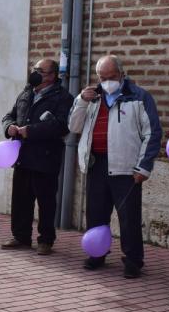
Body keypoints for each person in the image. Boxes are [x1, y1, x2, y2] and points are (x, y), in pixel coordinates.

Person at [68, 54, 162, 278]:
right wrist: (81, 100)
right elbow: (73, 126)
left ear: (122, 74)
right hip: (96, 164)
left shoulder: (139, 97)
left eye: (111, 76)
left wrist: (143, 167)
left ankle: (133, 261)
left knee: (129, 217)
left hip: (126, 167)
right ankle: (97, 253)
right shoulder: (91, 97)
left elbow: (153, 133)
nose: (107, 81)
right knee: (96, 214)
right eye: (102, 77)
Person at [1, 58, 73, 254]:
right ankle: (21, 236)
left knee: (46, 202)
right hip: (22, 156)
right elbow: (9, 115)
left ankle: (45, 241)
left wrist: (30, 131)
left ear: (52, 76)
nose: (35, 73)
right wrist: (10, 127)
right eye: (35, 69)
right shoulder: (26, 93)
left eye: (40, 70)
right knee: (21, 200)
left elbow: (61, 125)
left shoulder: (63, 97)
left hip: (46, 158)